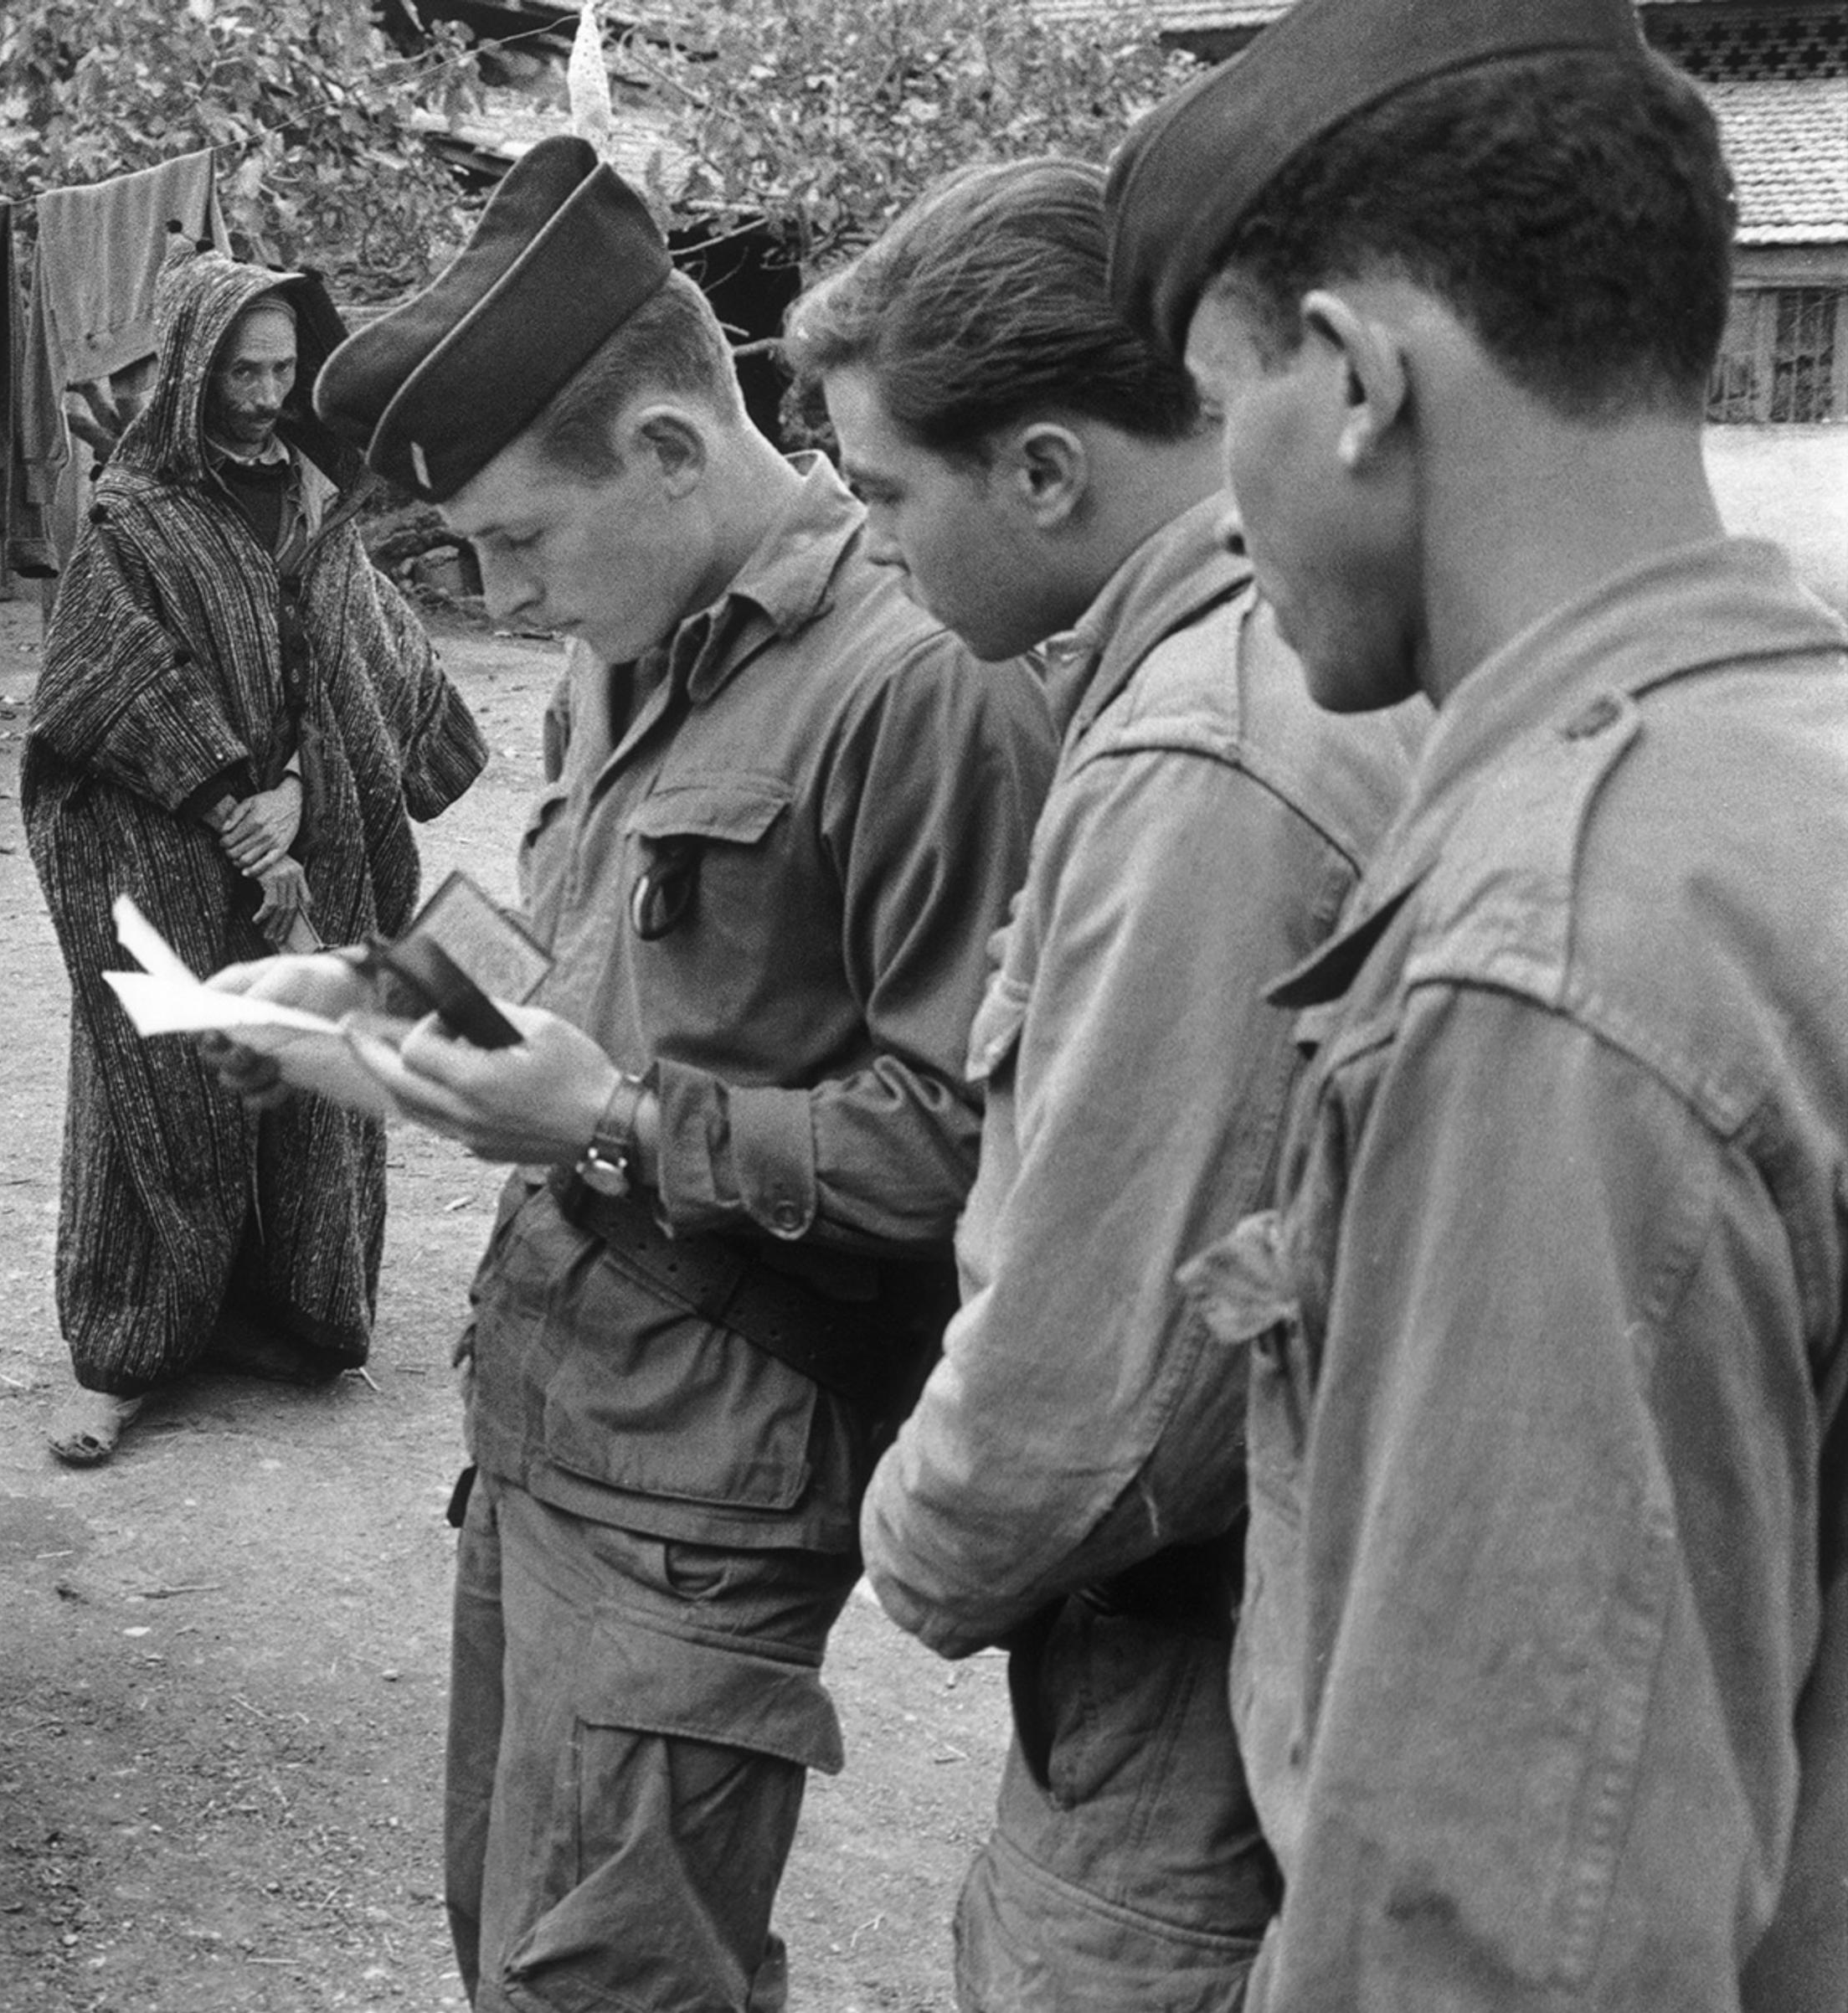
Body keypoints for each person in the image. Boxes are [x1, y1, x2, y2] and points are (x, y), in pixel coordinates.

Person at [214, 138, 1058, 2011]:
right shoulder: (630, 636)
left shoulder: (923, 684)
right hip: (539, 1413)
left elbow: (985, 1158)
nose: (501, 596)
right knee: (503, 1939)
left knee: (614, 1983)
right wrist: (359, 988)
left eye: (518, 540)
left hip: (713, 1473)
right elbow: (566, 936)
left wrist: (606, 1120)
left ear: (672, 450)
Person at [1105, 1, 1848, 2004]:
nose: (1216, 516)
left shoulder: (1554, 956)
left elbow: (1505, 1918)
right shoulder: (1782, 763)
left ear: (1347, 380)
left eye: (1213, 408)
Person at [784, 158, 1418, 2011]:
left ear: (1046, 472)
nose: (875, 544)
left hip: (1189, 1696)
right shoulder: (1288, 660)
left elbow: (1098, 1383)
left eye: (887, 491)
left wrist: (910, 1542)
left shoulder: (1205, 748)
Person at [22, 245, 487, 1465]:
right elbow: (96, 677)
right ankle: (125, 1353)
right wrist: (227, 790)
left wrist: (302, 799)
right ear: (190, 372)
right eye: (243, 370)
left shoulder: (322, 512)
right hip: (167, 847)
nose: (267, 393)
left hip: (309, 841)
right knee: (166, 1075)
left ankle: (284, 1315)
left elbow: (369, 673)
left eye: (284, 369)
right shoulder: (134, 522)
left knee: (302, 1071)